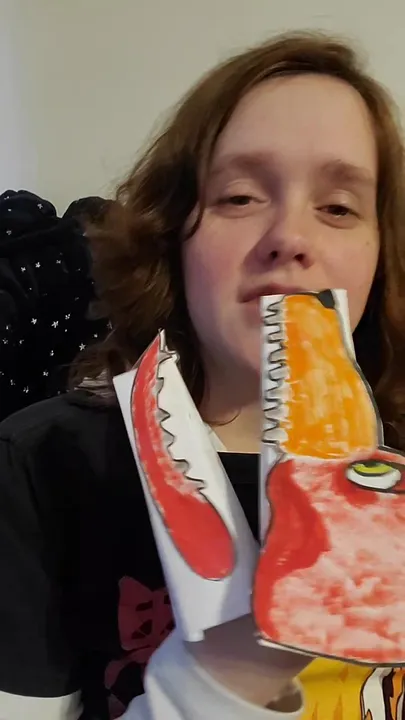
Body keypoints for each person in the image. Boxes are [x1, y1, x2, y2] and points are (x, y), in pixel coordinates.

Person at [1, 30, 405, 720]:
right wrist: (214, 686)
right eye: (239, 197)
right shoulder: (45, 466)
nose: (290, 237)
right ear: (172, 233)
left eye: (338, 207)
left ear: (380, 256)